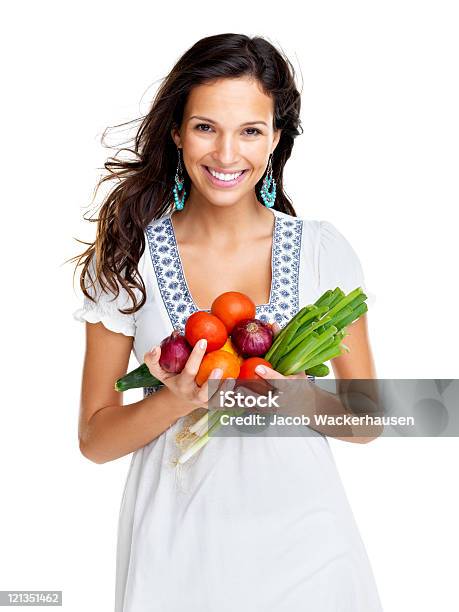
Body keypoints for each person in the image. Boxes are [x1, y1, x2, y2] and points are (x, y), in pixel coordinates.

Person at [72, 33, 383, 612]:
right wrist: (178, 399)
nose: (226, 154)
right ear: (176, 131)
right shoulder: (126, 259)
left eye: (250, 131)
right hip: (178, 551)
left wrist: (300, 402)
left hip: (308, 550)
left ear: (275, 139)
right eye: (205, 127)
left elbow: (370, 418)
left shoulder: (320, 250)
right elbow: (94, 438)